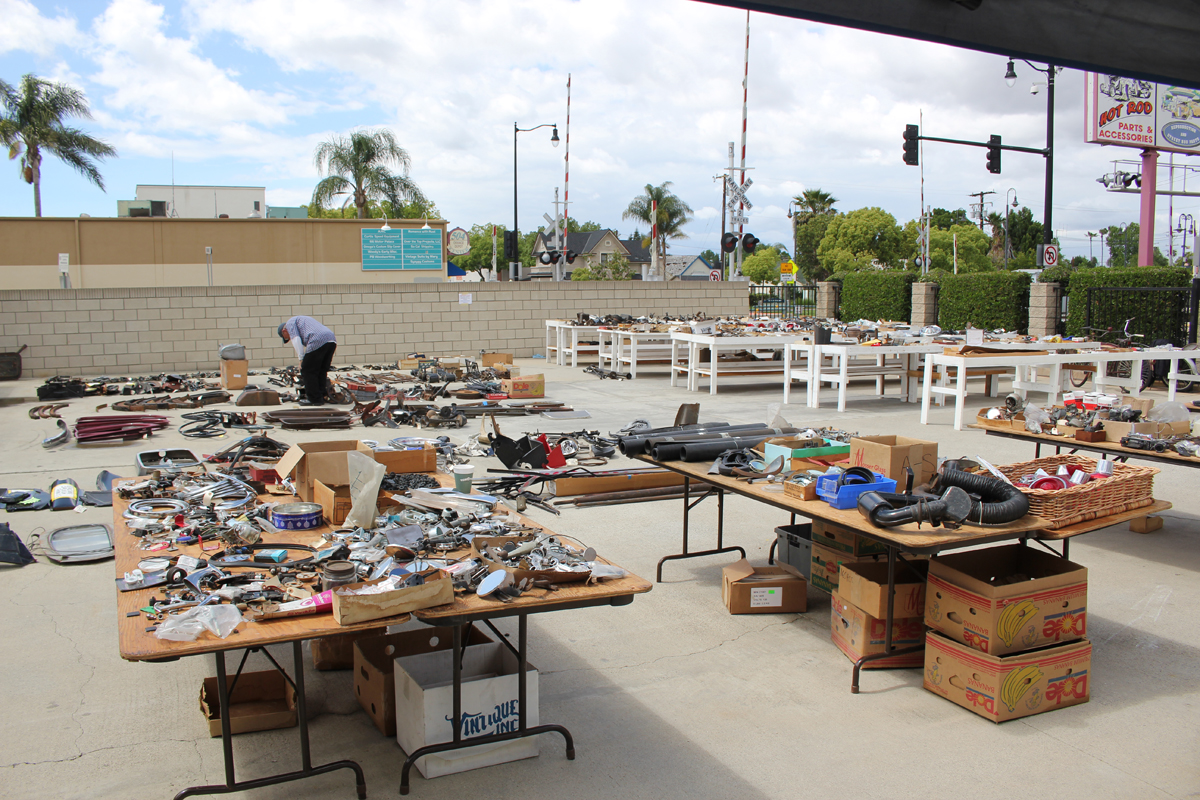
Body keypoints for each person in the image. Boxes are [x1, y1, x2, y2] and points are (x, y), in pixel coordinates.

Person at [278, 316, 337, 405]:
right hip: (331, 340)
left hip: (317, 339)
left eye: (286, 337)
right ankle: (322, 396)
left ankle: (314, 399)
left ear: (284, 331)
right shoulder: (300, 321)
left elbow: (296, 340)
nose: (289, 339)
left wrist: (301, 359)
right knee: (321, 370)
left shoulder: (290, 324)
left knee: (307, 370)